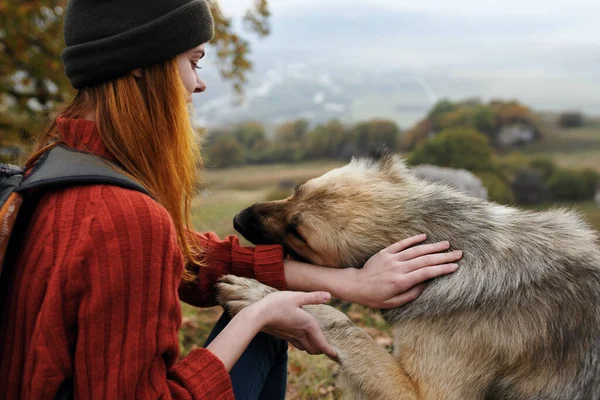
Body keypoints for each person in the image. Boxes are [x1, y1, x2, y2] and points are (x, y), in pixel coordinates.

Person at [0, 1, 462, 399]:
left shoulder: (50, 170)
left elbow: (194, 260)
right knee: (262, 321)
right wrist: (258, 314)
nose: (198, 84)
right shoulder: (124, 215)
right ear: (143, 62)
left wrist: (346, 281)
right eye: (194, 61)